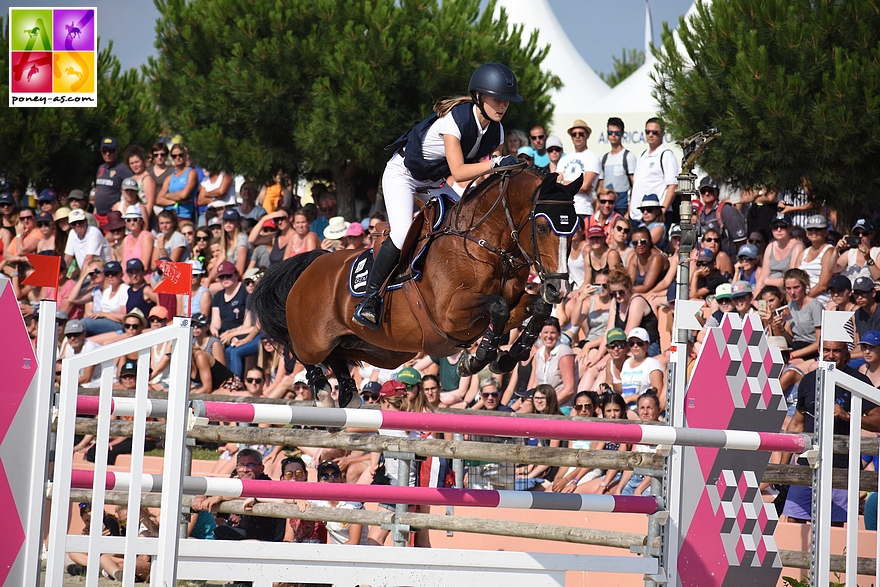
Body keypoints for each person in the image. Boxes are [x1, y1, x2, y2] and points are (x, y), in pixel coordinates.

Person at [353, 62, 523, 328]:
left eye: (507, 102)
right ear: (478, 97)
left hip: (433, 181)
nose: (503, 106)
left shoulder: (496, 130)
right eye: (498, 99)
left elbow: (482, 174)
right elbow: (459, 170)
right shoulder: (455, 119)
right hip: (404, 175)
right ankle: (369, 299)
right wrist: (495, 164)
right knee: (401, 233)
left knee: (461, 225)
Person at [778, 341, 880, 525]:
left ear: (846, 352)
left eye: (836, 351)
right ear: (819, 351)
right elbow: (797, 424)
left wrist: (848, 416)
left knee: (834, 528)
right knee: (793, 521)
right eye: (826, 350)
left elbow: (878, 420)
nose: (831, 355)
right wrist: (784, 470)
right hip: (806, 464)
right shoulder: (809, 380)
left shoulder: (858, 381)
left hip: (842, 467)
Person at [192, 448, 286, 542]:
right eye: (241, 465)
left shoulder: (266, 483)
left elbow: (252, 492)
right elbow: (211, 485)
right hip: (246, 537)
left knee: (222, 532)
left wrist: (220, 497)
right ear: (237, 468)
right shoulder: (236, 484)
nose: (245, 470)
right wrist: (201, 496)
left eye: (250, 465)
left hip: (266, 540)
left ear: (261, 469)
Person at [629, 118, 678, 224]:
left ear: (662, 134)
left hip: (655, 216)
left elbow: (673, 186)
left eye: (655, 132)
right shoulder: (642, 154)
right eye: (647, 132)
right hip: (637, 215)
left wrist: (661, 212)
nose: (650, 135)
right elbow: (637, 185)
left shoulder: (666, 155)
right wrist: (630, 210)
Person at [607, 264, 661, 356]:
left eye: (621, 292)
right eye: (613, 294)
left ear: (629, 287)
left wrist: (607, 358)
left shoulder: (637, 302)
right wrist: (597, 358)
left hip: (646, 347)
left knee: (615, 363)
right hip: (624, 347)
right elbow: (609, 332)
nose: (618, 296)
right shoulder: (615, 302)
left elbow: (627, 334)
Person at [527, 317, 576, 408]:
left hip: (561, 406)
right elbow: (534, 384)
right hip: (540, 406)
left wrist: (547, 406)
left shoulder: (564, 353)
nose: (548, 336)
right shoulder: (539, 353)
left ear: (559, 334)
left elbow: (569, 390)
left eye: (552, 333)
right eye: (545, 332)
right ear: (540, 334)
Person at [557, 119, 601, 219]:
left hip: (583, 209)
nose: (577, 136)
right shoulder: (564, 159)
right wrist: (577, 185)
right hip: (564, 207)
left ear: (587, 135)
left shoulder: (593, 157)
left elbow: (585, 186)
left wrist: (562, 183)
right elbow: (556, 183)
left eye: (581, 134)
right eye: (574, 134)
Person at [698, 176, 747, 260]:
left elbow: (741, 242)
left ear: (717, 191)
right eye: (703, 191)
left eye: (710, 190)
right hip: (706, 261)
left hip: (725, 260)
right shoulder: (701, 213)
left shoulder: (725, 210)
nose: (706, 193)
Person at [794, 214, 837, 306]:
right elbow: (793, 279)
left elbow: (823, 285)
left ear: (826, 232)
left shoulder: (829, 251)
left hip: (820, 300)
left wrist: (803, 299)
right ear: (806, 232)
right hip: (801, 299)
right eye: (810, 229)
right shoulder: (803, 254)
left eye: (818, 229)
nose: (814, 232)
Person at [597, 117, 636, 217]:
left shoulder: (628, 156)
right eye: (610, 133)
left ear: (622, 134)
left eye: (617, 133)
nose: (613, 135)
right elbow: (601, 185)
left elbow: (635, 184)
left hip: (622, 206)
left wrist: (629, 210)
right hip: (606, 206)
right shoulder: (605, 158)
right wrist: (597, 208)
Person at [618, 327, 665, 410]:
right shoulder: (626, 363)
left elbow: (657, 395)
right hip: (624, 408)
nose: (635, 346)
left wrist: (632, 398)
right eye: (631, 343)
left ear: (647, 345)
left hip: (642, 410)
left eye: (639, 343)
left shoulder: (652, 364)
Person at [757, 214, 804, 292]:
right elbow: (762, 278)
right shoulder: (770, 247)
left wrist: (768, 281)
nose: (779, 230)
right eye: (775, 227)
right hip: (768, 292)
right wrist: (755, 301)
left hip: (787, 293)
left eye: (783, 226)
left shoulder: (797, 247)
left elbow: (792, 279)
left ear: (790, 228)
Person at [94, 136, 133, 226]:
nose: (107, 154)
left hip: (111, 216)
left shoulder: (123, 169)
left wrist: (122, 204)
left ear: (117, 151)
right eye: (105, 150)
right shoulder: (101, 168)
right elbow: (98, 188)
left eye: (111, 151)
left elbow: (132, 189)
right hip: (98, 214)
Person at [81, 261, 128, 336]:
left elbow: (125, 317)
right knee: (75, 326)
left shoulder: (124, 290)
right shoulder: (107, 291)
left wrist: (105, 314)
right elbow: (73, 299)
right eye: (107, 274)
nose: (110, 276)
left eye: (114, 273)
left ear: (121, 274)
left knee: (84, 323)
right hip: (105, 322)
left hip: (119, 324)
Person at [156, 143, 198, 221]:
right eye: (174, 156)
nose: (177, 158)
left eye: (180, 155)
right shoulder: (169, 177)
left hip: (184, 215)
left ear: (185, 156)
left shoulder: (191, 173)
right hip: (168, 216)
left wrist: (167, 195)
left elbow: (184, 195)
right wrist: (176, 201)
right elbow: (159, 200)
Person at [836, 218, 880, 282]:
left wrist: (868, 259)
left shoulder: (877, 252)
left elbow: (878, 278)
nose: (860, 236)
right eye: (857, 233)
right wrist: (836, 249)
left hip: (869, 291)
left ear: (871, 235)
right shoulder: (850, 253)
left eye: (864, 233)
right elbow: (832, 269)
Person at [628, 225, 668, 294]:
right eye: (635, 243)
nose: (639, 245)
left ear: (649, 242)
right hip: (639, 295)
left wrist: (624, 290)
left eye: (643, 241)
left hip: (656, 295)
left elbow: (646, 287)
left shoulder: (657, 258)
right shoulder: (634, 258)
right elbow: (629, 283)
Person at [124, 145, 157, 222]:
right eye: (131, 163)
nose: (134, 165)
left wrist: (144, 222)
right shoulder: (131, 178)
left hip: (143, 218)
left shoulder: (147, 178)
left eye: (137, 162)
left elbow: (149, 203)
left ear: (143, 161)